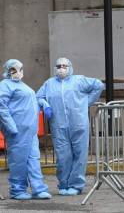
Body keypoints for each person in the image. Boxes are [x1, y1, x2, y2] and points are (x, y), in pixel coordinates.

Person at [36, 57, 104, 196]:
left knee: (80, 155)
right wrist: (45, 104)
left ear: (70, 67)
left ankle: (76, 185)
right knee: (63, 156)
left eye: (64, 66)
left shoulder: (79, 80)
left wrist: (87, 102)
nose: (61, 68)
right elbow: (38, 97)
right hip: (58, 125)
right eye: (59, 66)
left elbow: (98, 85)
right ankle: (64, 184)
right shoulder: (49, 83)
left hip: (78, 124)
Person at [0, 59, 51, 200]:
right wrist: (10, 126)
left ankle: (38, 188)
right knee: (18, 161)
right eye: (13, 69)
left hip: (30, 130)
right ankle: (17, 189)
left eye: (19, 69)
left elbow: (31, 100)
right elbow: (1, 107)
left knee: (34, 159)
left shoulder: (23, 86)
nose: (17, 72)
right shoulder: (5, 85)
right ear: (7, 71)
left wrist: (42, 103)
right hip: (17, 131)